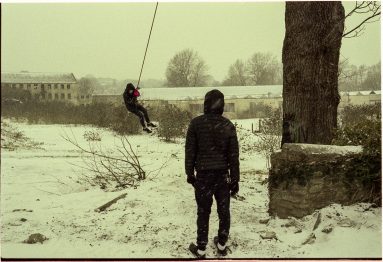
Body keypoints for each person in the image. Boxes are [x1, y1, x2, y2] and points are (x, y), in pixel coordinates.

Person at [185, 89, 240, 258]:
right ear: (221, 105)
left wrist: (190, 173)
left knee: (203, 211)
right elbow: (233, 155)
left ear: (206, 104)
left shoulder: (196, 124)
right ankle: (222, 245)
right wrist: (235, 179)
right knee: (224, 211)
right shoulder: (228, 125)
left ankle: (201, 249)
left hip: (203, 175)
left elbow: (190, 151)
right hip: (222, 176)